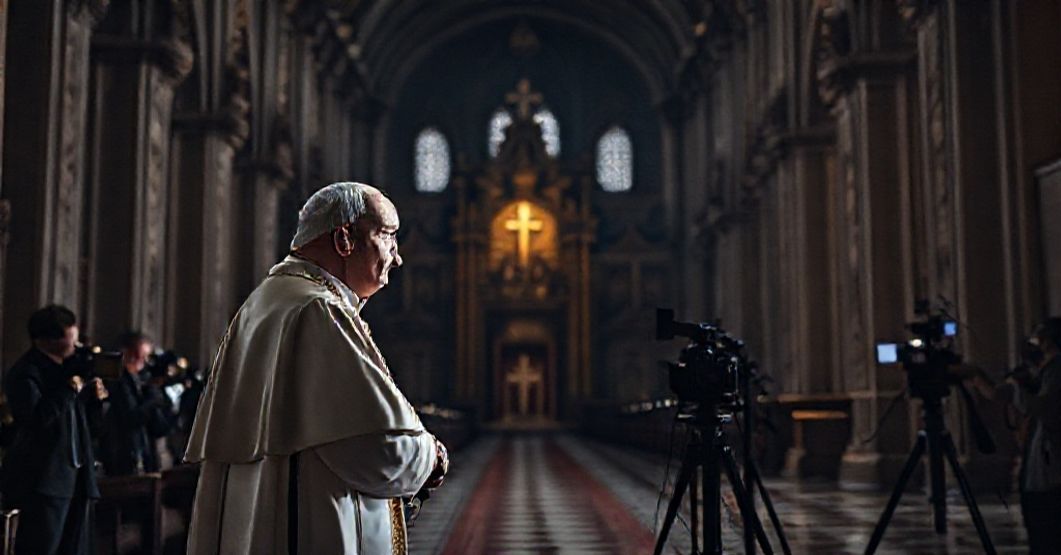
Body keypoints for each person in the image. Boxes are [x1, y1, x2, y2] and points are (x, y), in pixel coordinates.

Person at [185, 182, 448, 554]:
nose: (397, 256)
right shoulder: (318, 310)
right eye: (388, 236)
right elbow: (375, 450)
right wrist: (431, 456)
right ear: (344, 239)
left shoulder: (264, 303)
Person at [2, 305, 108, 555]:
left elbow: (90, 428)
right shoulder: (27, 372)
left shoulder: (67, 371)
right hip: (43, 482)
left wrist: (95, 400)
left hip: (76, 479)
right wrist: (69, 388)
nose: (74, 345)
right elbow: (35, 421)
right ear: (45, 340)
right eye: (69, 339)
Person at [968, 318, 1061, 554]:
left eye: (1037, 339)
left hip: (1052, 475)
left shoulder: (1056, 372)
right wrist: (975, 376)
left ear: (1048, 342)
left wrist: (1024, 387)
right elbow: (999, 394)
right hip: (1039, 474)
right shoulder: (1041, 373)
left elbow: (1045, 409)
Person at [98, 331, 172, 475]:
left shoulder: (142, 379)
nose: (143, 362)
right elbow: (130, 417)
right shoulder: (117, 380)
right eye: (139, 357)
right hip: (123, 453)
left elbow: (160, 427)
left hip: (144, 452)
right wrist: (152, 401)